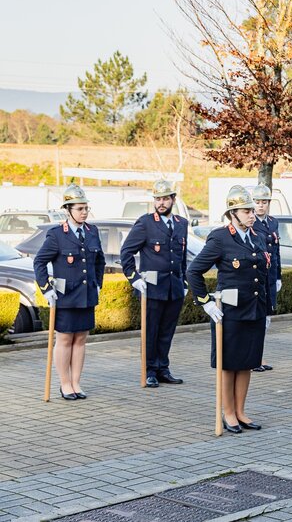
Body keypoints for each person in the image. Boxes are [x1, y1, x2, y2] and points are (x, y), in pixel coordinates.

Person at [188, 186, 270, 433]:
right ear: (232, 213)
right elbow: (194, 271)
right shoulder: (221, 237)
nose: (252, 215)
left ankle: (241, 410)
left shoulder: (258, 236)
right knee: (229, 363)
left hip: (254, 309)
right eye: (246, 211)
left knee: (247, 362)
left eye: (252, 210)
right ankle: (228, 412)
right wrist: (206, 301)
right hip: (230, 312)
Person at [33, 185, 106, 400]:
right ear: (68, 210)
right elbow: (39, 262)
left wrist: (97, 283)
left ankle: (76, 383)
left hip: (86, 296)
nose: (84, 212)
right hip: (65, 297)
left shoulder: (92, 232)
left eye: (86, 208)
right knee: (65, 339)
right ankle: (65, 384)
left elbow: (99, 260)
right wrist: (46, 288)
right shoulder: (57, 235)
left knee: (81, 338)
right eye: (80, 208)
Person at [120, 179, 188, 388]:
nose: (161, 203)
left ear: (173, 200)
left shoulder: (181, 223)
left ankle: (162, 368)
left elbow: (182, 256)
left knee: (167, 331)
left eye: (165, 198)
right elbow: (126, 252)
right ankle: (149, 370)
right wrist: (134, 278)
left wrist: (183, 281)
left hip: (173, 287)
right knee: (151, 331)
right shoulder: (146, 223)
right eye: (158, 199)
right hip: (152, 288)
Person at [251, 185, 281, 372]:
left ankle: (258, 358)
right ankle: (253, 360)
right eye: (257, 202)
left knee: (266, 320)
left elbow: (276, 252)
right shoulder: (250, 221)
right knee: (257, 319)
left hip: (270, 276)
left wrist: (278, 276)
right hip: (258, 277)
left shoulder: (273, 222)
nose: (261, 206)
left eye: (264, 202)